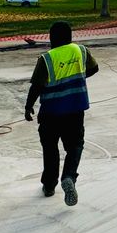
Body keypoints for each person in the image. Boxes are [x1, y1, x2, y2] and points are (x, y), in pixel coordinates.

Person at [24, 21, 99, 206]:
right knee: (75, 145)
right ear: (70, 36)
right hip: (75, 110)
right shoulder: (81, 51)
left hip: (51, 112)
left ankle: (49, 185)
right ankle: (69, 177)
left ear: (51, 38)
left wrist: (28, 106)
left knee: (50, 149)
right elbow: (94, 69)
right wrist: (77, 76)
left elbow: (36, 86)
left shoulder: (46, 58)